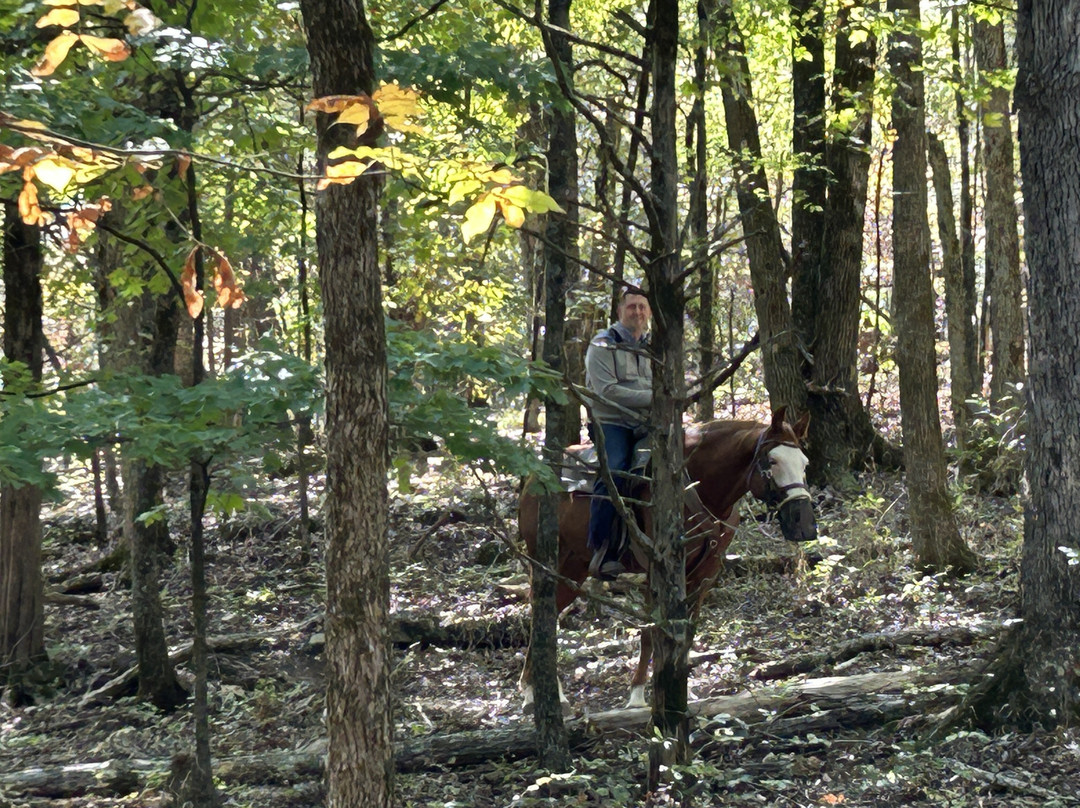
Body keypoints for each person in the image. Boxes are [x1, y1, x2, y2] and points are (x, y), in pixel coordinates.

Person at [584, 283, 652, 579]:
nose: (637, 312)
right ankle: (603, 549)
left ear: (649, 312)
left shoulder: (654, 346)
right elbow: (607, 390)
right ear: (619, 311)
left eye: (642, 307)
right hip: (612, 423)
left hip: (649, 424)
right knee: (614, 471)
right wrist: (657, 398)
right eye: (631, 306)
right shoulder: (602, 344)